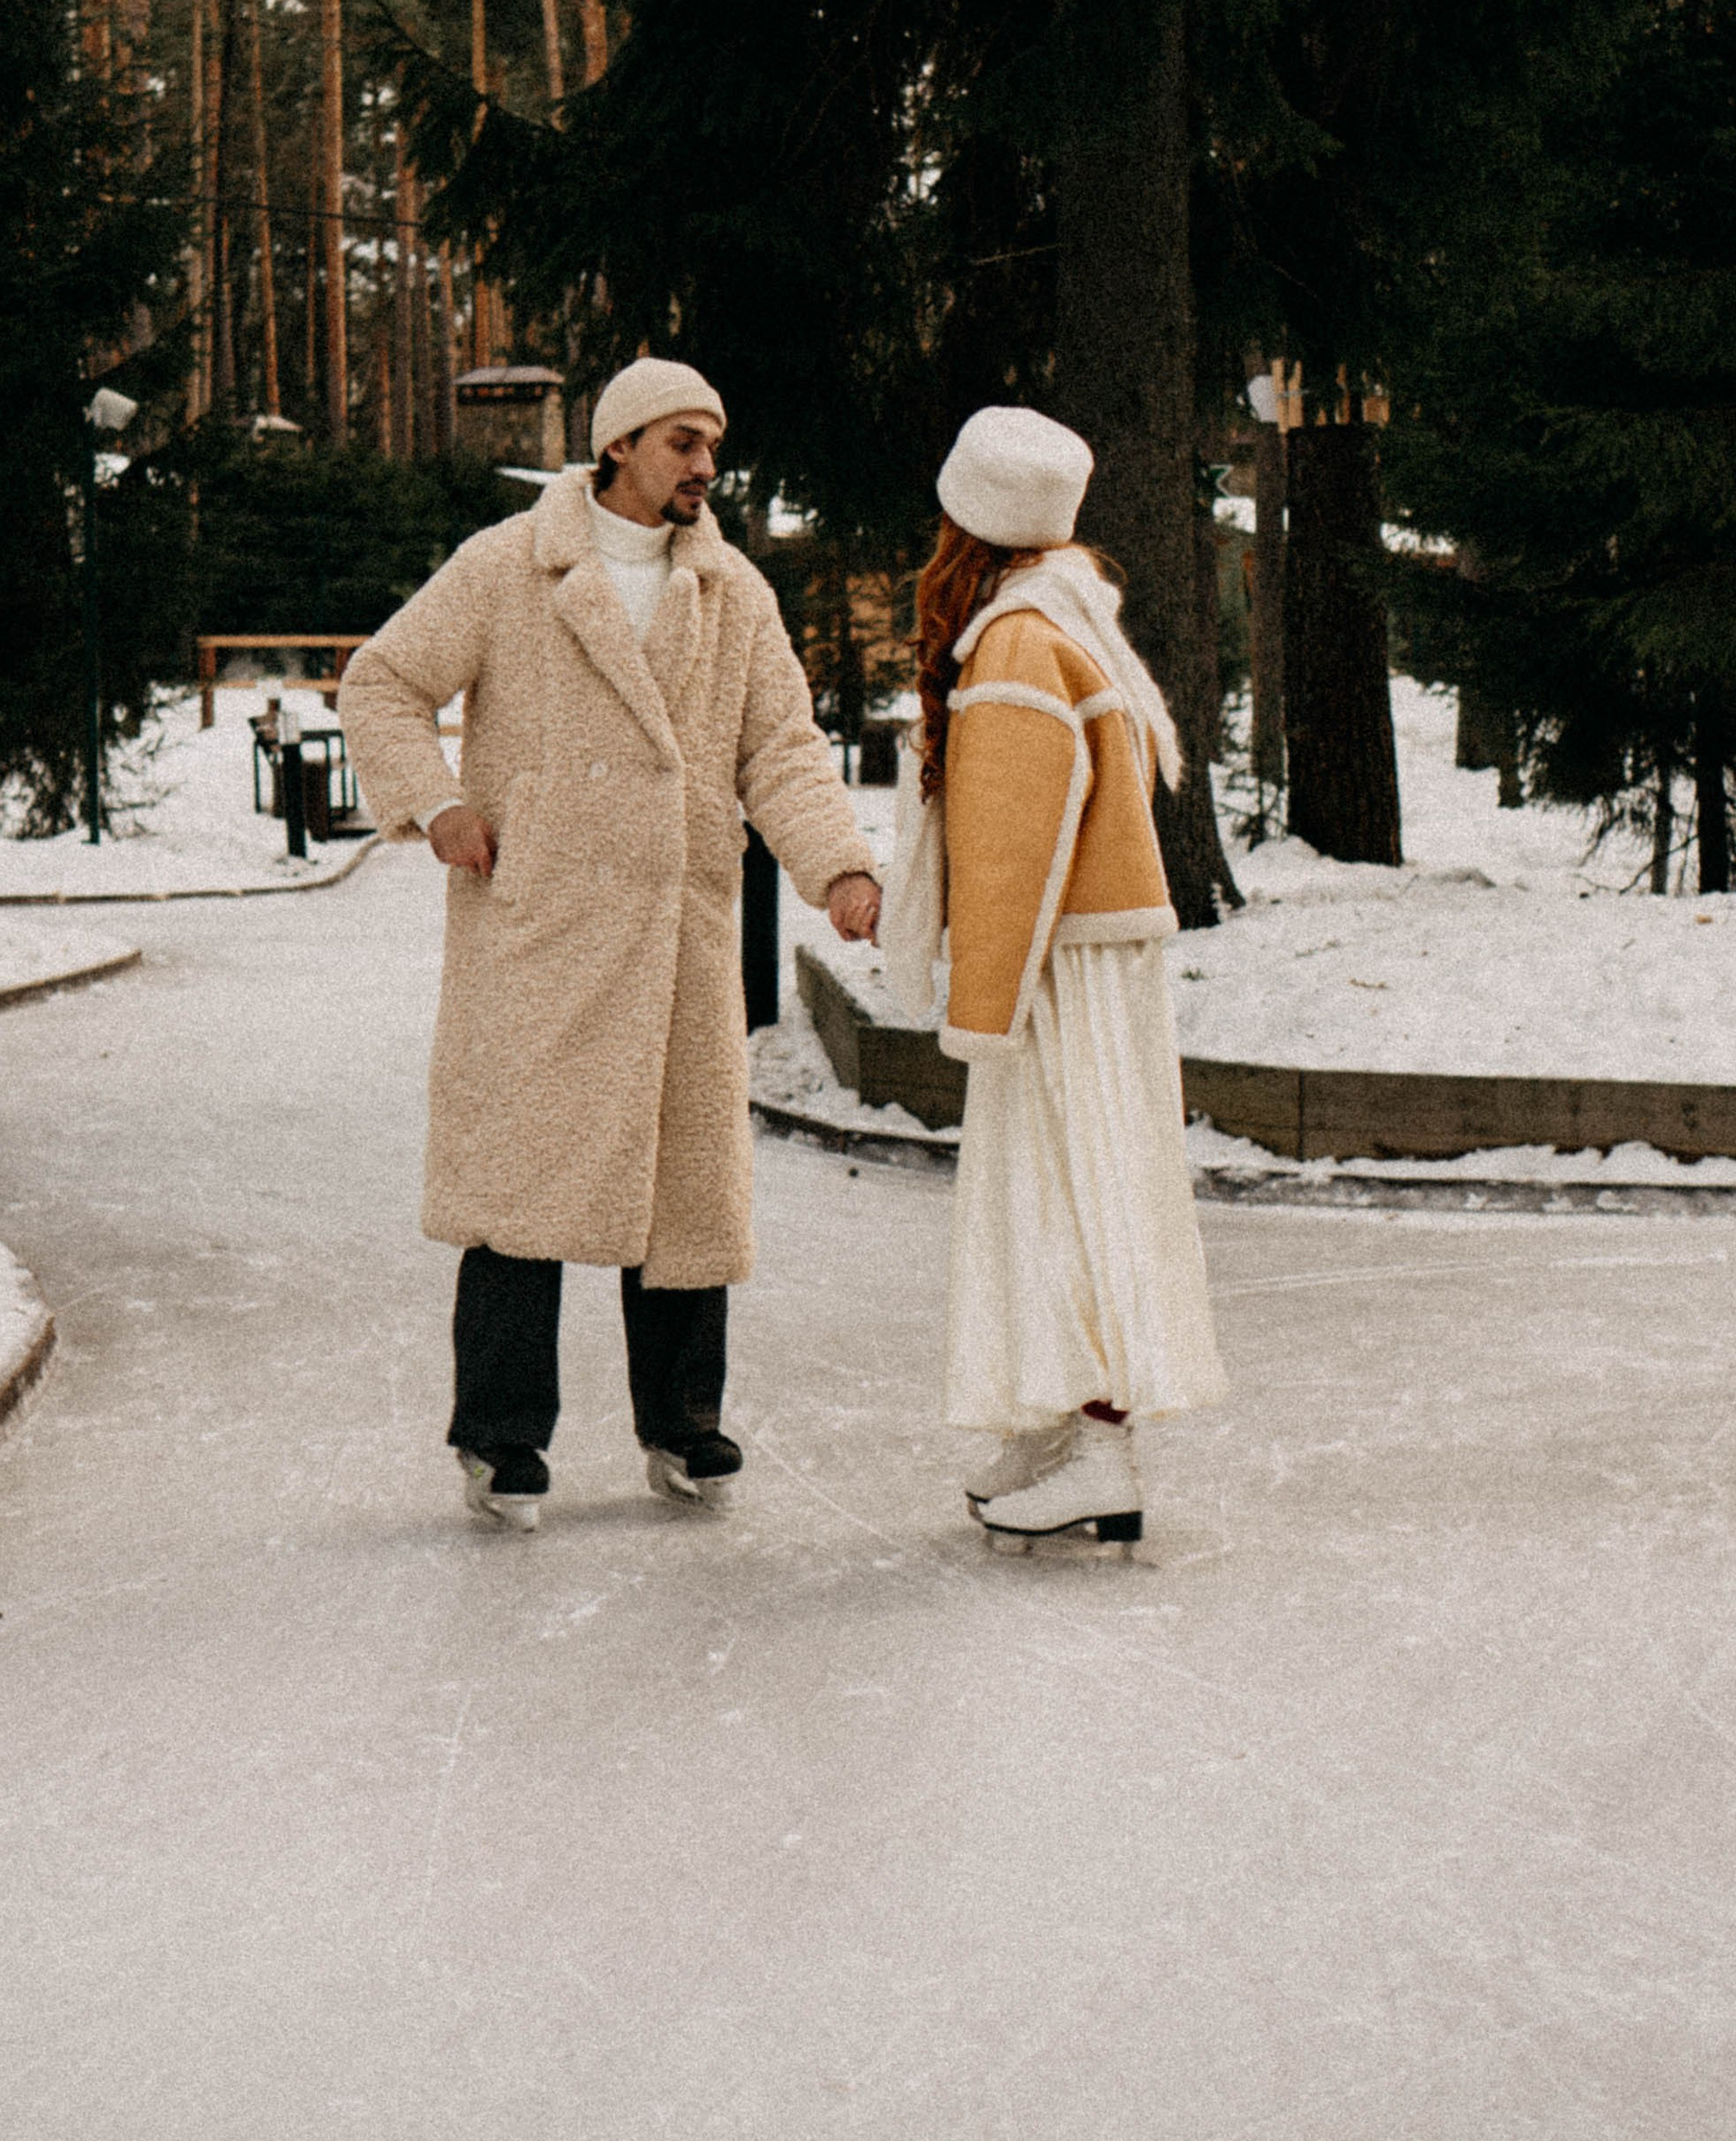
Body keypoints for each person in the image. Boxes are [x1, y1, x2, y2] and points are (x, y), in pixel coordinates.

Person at [340, 357, 882, 1531]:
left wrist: (837, 866)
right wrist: (438, 805)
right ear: (620, 445)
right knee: (520, 1189)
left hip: (681, 932)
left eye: (714, 445)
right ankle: (500, 1438)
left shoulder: (732, 593)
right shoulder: (510, 566)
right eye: (684, 442)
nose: (705, 466)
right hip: (542, 930)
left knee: (685, 1189)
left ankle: (683, 1423)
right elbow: (381, 684)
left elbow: (781, 748)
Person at [909, 404, 1225, 1543]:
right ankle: (1061, 1423)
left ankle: (1101, 1450)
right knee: (1074, 1189)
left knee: (1068, 1194)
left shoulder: (1015, 646)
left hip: (1055, 972)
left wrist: (980, 1006)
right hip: (1092, 964)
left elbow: (1013, 850)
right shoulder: (1073, 622)